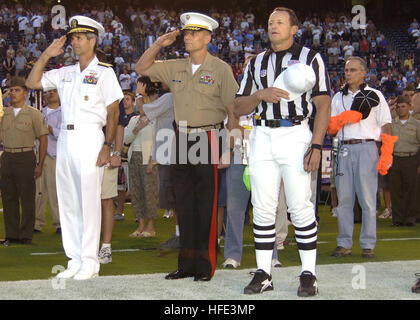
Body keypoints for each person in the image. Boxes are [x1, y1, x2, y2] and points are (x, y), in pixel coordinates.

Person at [233, 7, 331, 296]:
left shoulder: (311, 57)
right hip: (262, 134)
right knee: (262, 208)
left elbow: (323, 103)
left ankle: (308, 274)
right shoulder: (257, 62)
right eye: (270, 22)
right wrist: (259, 95)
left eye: (280, 22)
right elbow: (238, 107)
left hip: (295, 133)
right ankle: (264, 273)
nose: (273, 26)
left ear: (294, 28)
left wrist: (316, 144)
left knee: (299, 206)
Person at [135, 12, 238, 282]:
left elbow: (233, 112)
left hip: (208, 138)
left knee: (206, 204)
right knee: (184, 203)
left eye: (193, 33)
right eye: (186, 33)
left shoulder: (220, 69)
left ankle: (205, 265)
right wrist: (159, 44)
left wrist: (229, 148)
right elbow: (141, 68)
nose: (187, 37)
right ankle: (186, 263)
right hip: (180, 138)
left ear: (207, 38)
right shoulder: (175, 66)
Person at [26, 16, 123, 280]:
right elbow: (33, 83)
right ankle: (74, 259)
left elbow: (113, 111)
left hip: (91, 137)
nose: (74, 42)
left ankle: (90, 262)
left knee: (89, 201)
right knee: (68, 200)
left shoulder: (105, 72)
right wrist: (46, 54)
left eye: (80, 37)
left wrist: (107, 145)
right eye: (73, 37)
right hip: (66, 139)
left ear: (92, 41)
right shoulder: (65, 72)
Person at [328, 56, 394, 260]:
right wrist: (340, 120)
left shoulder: (376, 95)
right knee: (344, 199)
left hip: (367, 146)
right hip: (343, 148)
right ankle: (344, 243)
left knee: (367, 199)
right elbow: (331, 128)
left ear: (364, 73)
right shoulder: (337, 97)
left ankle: (368, 244)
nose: (348, 74)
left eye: (353, 70)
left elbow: (386, 124)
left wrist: (387, 151)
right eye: (347, 70)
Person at [0, 76, 48, 245]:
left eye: (17, 90)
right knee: (8, 198)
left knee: (27, 198)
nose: (13, 93)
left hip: (25, 156)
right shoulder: (3, 113)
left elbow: (43, 139)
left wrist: (40, 164)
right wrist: (2, 99)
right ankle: (11, 235)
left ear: (26, 93)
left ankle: (26, 235)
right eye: (11, 90)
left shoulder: (34, 114)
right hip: (6, 157)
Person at [124, 76, 158, 238]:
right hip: (134, 158)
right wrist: (136, 128)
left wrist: (153, 160)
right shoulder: (134, 120)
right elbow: (126, 139)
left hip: (148, 159)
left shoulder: (155, 120)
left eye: (141, 104)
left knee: (149, 192)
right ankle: (140, 225)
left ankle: (150, 227)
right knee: (136, 192)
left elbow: (159, 141)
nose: (140, 107)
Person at [389, 95, 420, 227]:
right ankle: (397, 218)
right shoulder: (391, 124)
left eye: (403, 106)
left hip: (411, 158)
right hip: (395, 158)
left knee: (411, 190)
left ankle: (410, 217)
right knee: (396, 190)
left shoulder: (417, 124)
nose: (400, 109)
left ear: (409, 107)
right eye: (398, 107)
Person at [34, 88, 61, 234]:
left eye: (54, 91)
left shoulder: (65, 112)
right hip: (39, 155)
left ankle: (59, 223)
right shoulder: (39, 113)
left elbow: (64, 133)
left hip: (55, 154)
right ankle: (37, 222)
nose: (50, 93)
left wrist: (49, 129)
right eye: (48, 91)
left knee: (55, 190)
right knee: (38, 191)